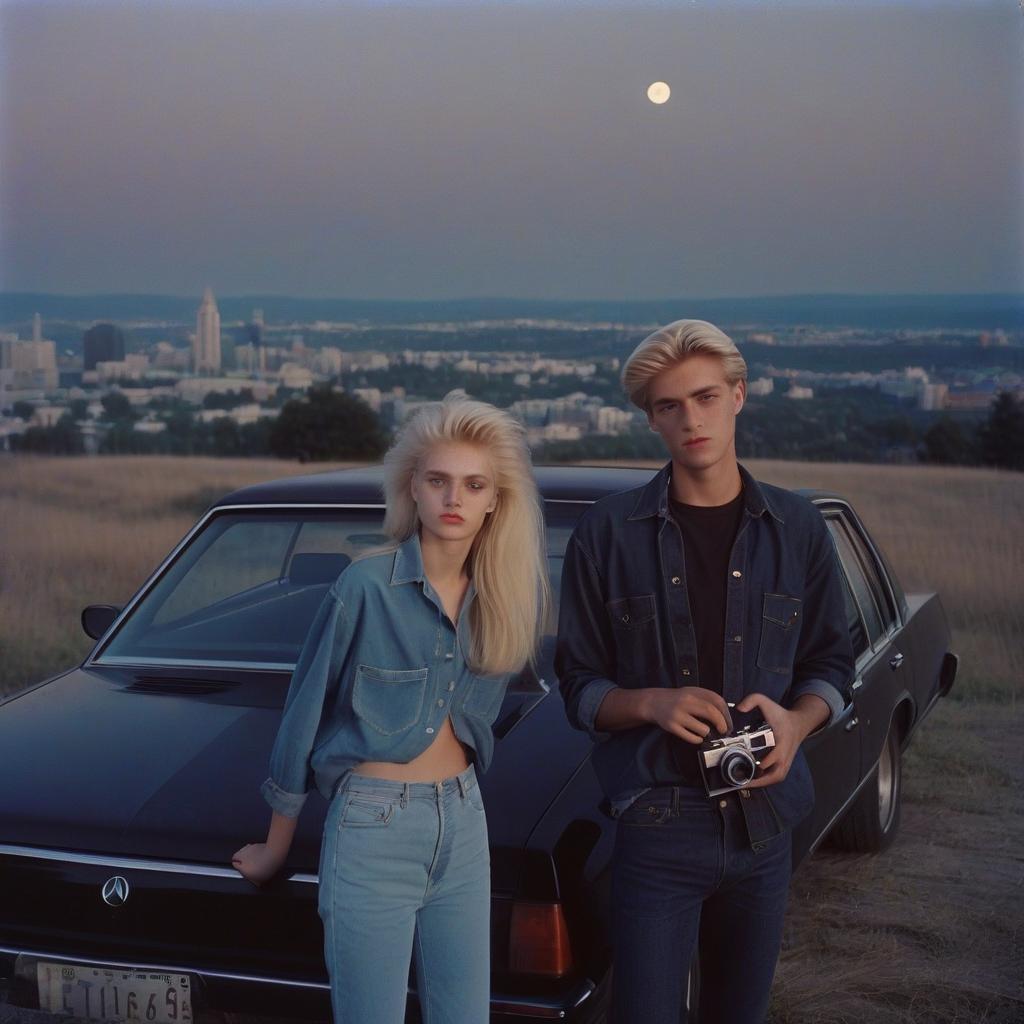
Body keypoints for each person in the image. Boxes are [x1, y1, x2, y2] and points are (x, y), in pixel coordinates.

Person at [556, 320, 853, 1024]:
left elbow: (830, 665)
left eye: (706, 397)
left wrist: (797, 720)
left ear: (739, 396)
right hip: (659, 826)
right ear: (650, 419)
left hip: (766, 827)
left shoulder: (799, 527)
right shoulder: (607, 533)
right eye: (669, 406)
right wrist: (651, 703)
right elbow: (578, 689)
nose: (691, 419)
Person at [232, 393, 549, 1024]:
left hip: (463, 821)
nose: (454, 499)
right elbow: (303, 714)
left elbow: (477, 720)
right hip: (373, 827)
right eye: (438, 481)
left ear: (495, 499)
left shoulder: (505, 601)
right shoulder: (365, 586)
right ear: (414, 487)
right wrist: (275, 846)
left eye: (473, 484)